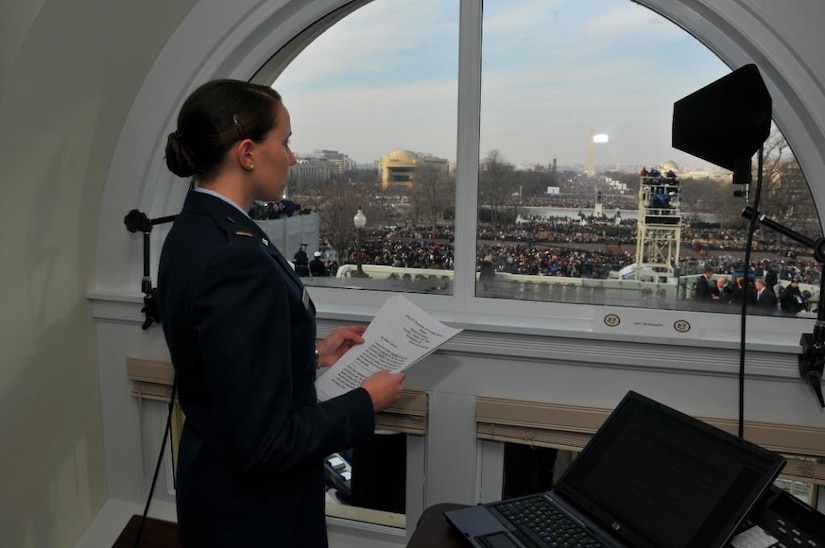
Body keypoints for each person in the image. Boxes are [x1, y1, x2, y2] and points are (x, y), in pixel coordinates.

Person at [157, 79, 405, 548]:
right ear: (247, 153)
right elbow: (265, 444)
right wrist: (364, 403)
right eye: (286, 141)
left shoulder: (195, 229)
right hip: (255, 519)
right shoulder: (236, 258)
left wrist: (310, 354)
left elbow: (227, 365)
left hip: (214, 492)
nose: (292, 157)